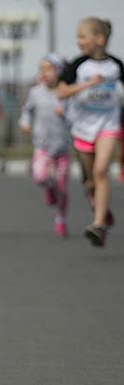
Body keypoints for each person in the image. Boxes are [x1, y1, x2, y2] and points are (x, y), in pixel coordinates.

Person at [56, 17, 122, 247]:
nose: (79, 41)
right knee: (91, 179)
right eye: (77, 36)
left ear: (100, 38)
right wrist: (87, 85)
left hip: (108, 124)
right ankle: (97, 201)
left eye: (83, 36)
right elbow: (61, 92)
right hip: (83, 127)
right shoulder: (77, 65)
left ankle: (98, 224)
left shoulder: (116, 65)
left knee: (102, 170)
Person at [20, 54, 72, 238]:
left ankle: (61, 219)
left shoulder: (66, 93)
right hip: (42, 144)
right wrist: (25, 123)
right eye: (42, 69)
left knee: (63, 187)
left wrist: (65, 114)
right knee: (40, 176)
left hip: (62, 146)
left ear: (59, 72)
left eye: (49, 69)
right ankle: (49, 187)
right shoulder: (35, 92)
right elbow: (27, 111)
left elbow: (75, 119)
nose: (45, 73)